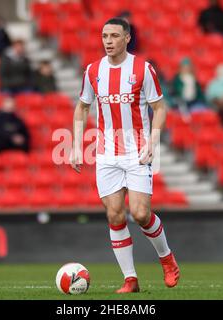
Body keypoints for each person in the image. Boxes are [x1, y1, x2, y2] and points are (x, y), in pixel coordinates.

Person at [71, 18, 179, 293]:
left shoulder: (143, 69)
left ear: (127, 38)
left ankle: (166, 258)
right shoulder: (93, 70)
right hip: (107, 153)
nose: (108, 41)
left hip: (136, 150)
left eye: (114, 35)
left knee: (140, 213)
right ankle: (130, 279)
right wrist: (75, 144)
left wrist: (153, 142)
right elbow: (82, 107)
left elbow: (160, 108)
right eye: (104, 35)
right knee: (115, 215)